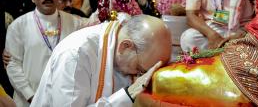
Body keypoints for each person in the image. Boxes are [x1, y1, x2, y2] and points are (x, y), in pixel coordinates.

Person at [30, 15, 172, 106]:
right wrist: (128, 95)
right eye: (140, 69)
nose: (140, 77)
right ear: (125, 46)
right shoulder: (76, 54)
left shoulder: (119, 45)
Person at [5, 0, 98, 107]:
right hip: (28, 101)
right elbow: (13, 65)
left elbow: (98, 22)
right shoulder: (18, 26)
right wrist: (32, 96)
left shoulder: (75, 23)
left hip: (63, 99)